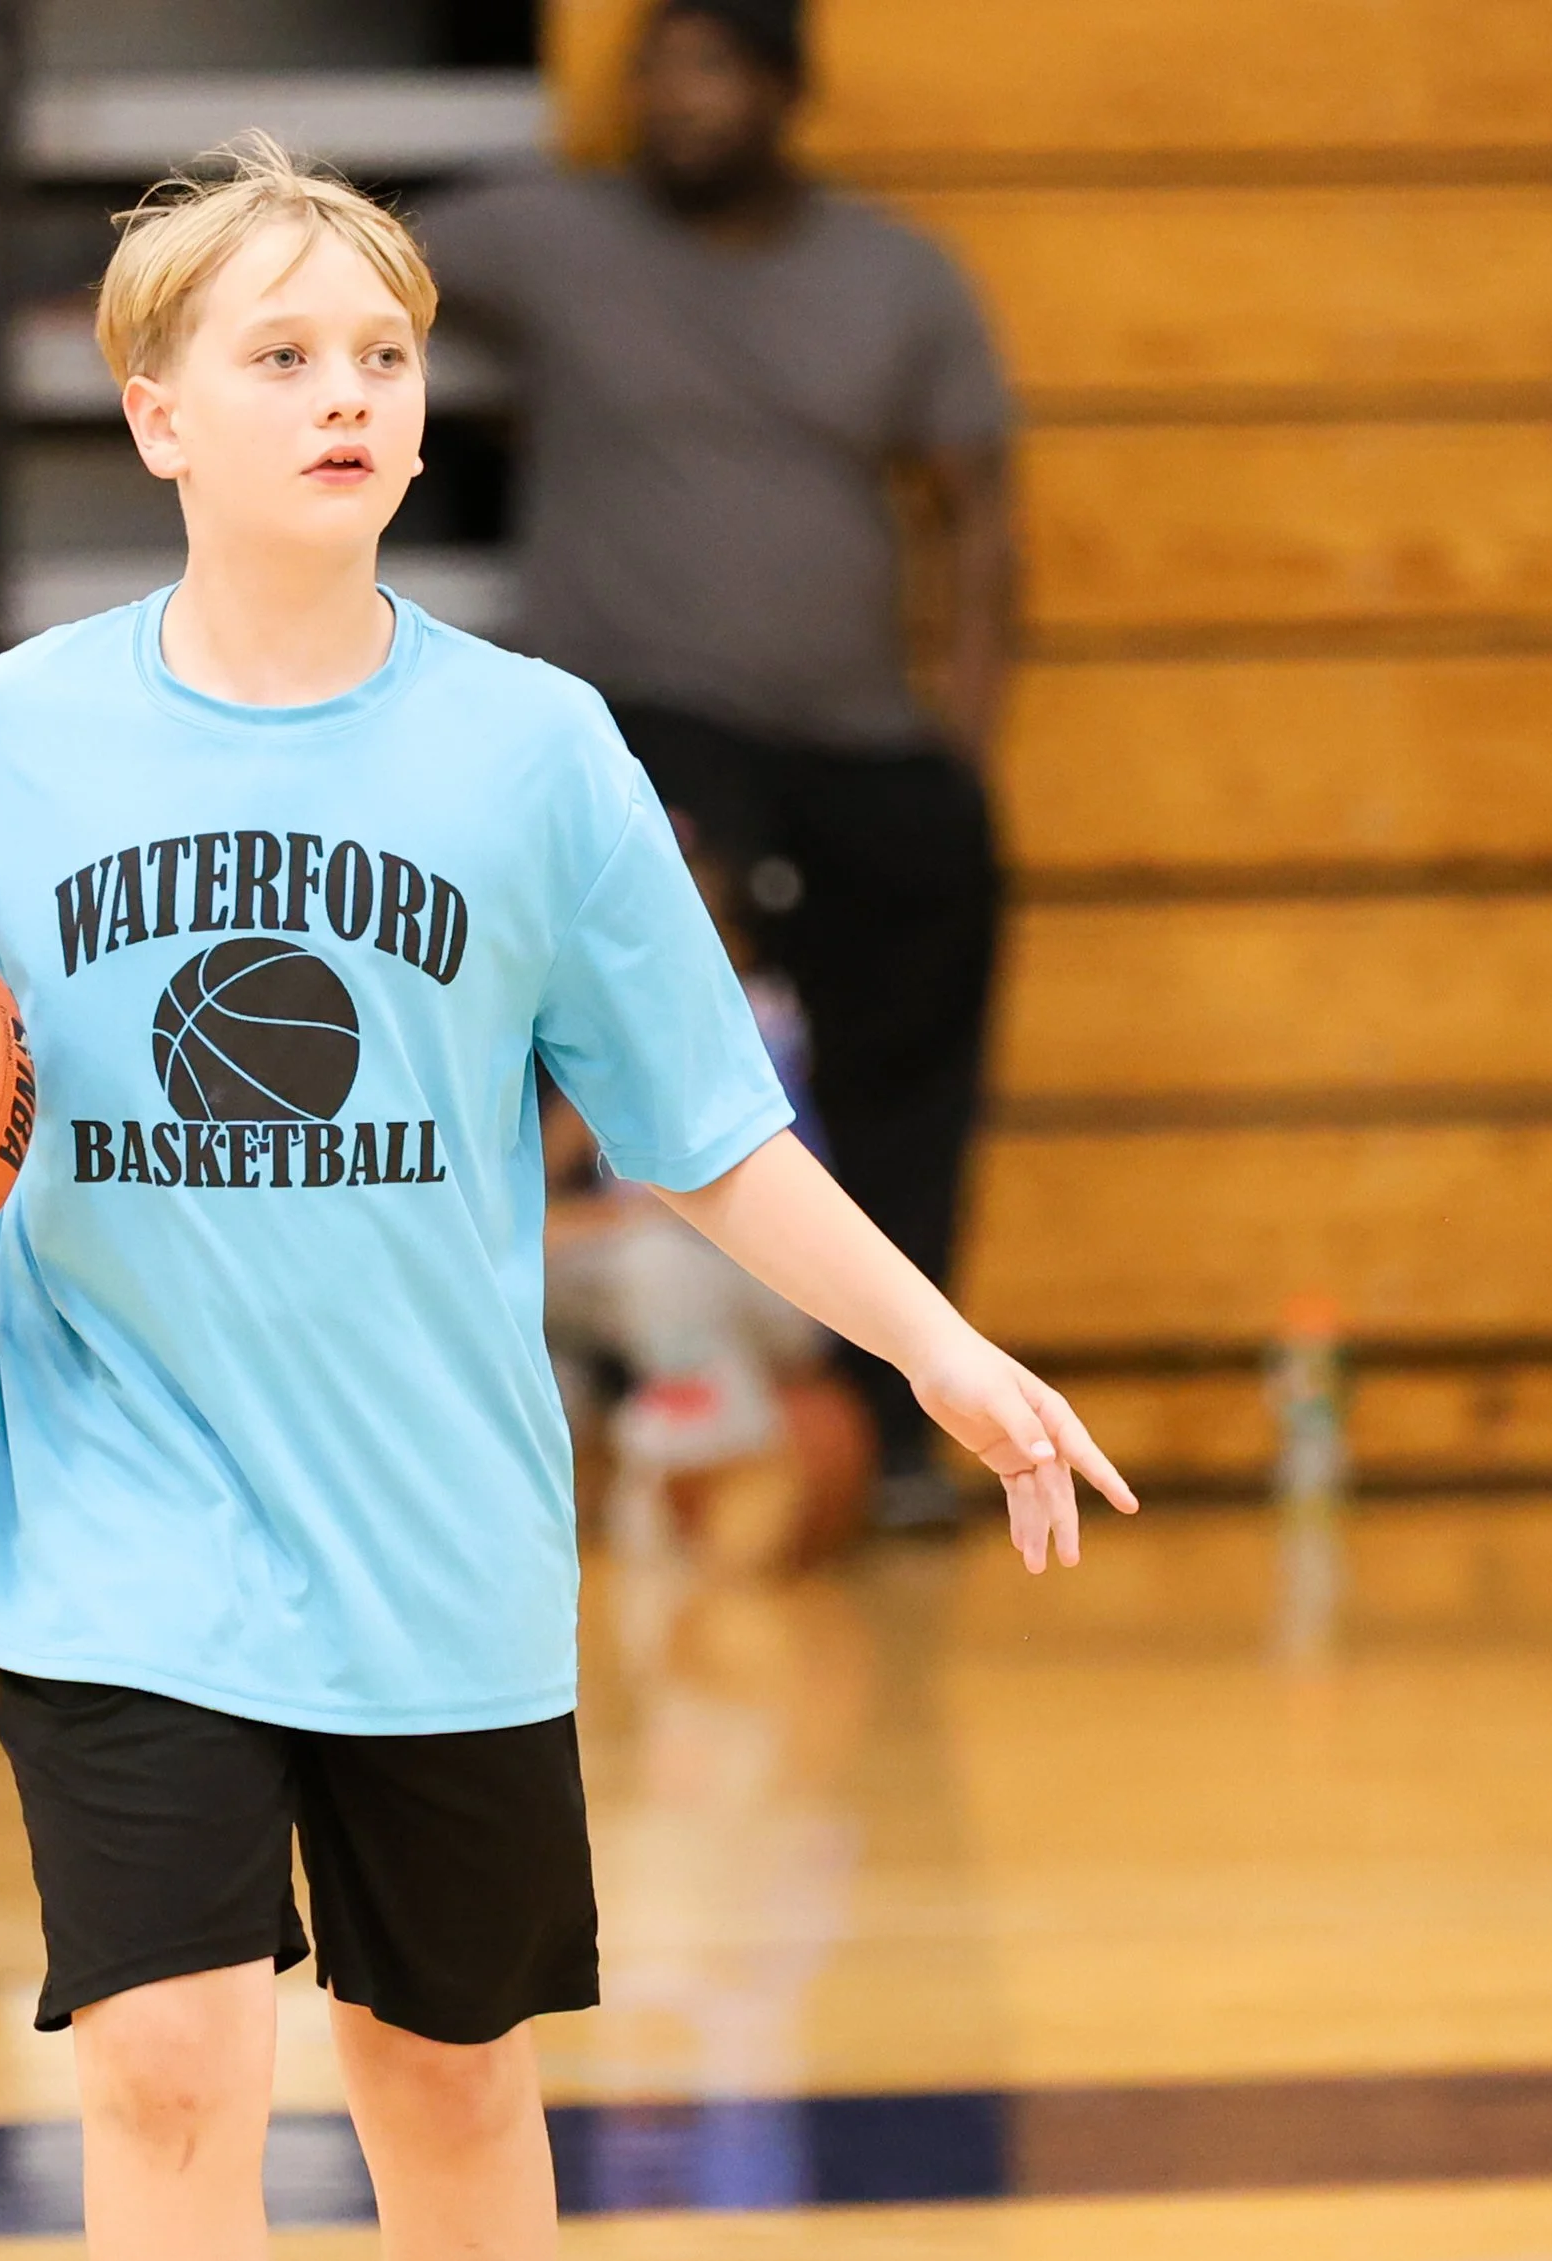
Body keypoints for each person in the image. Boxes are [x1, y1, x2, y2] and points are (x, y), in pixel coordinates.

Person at [0, 136, 1128, 2261]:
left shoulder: (528, 751)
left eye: (379, 354)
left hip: (436, 1531)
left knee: (445, 2077)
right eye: (281, 355)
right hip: (117, 1500)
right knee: (167, 2055)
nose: (346, 394)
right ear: (151, 416)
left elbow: (706, 1129)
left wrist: (933, 1342)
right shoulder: (19, 735)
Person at [426, 0, 1018, 1526]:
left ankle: (893, 1427)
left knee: (924, 964)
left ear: (781, 90)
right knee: (648, 1033)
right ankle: (591, 1406)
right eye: (654, 73)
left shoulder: (894, 276)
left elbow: (980, 511)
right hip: (651, 719)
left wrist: (960, 739)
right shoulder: (547, 237)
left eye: (710, 69)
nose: (677, 101)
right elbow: (334, 258)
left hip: (863, 737)